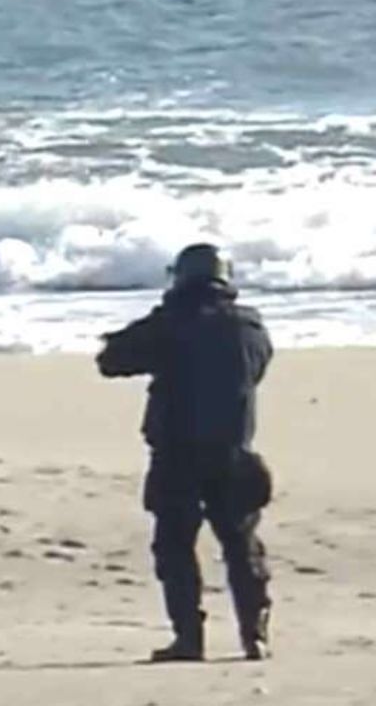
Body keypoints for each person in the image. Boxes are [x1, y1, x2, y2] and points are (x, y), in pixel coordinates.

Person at [96, 243, 274, 662]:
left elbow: (111, 360)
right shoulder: (250, 326)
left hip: (177, 456)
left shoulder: (171, 323)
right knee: (242, 546)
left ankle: (188, 639)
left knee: (175, 548)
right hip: (235, 454)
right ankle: (255, 635)